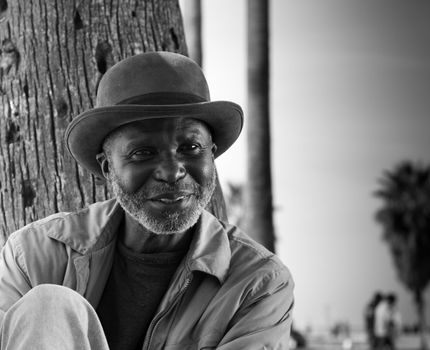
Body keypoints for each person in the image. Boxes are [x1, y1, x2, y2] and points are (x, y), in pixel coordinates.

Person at [0, 52, 294, 349]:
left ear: (211, 154)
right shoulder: (33, 255)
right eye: (142, 153)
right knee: (49, 304)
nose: (172, 172)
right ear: (107, 168)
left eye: (191, 147)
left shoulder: (258, 283)